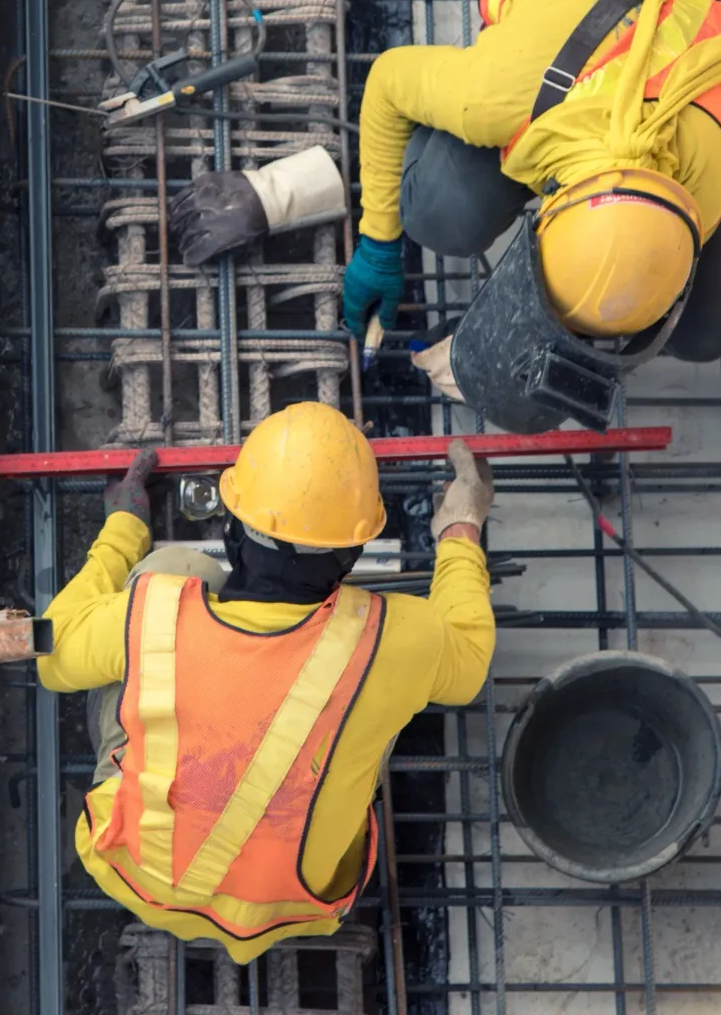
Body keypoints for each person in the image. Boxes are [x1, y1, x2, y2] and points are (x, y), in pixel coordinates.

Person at [37, 403, 496, 961]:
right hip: (299, 906)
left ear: (232, 530)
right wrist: (461, 529)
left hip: (136, 873)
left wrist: (124, 527)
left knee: (174, 573)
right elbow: (470, 659)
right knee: (376, 694)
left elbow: (52, 654)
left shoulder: (155, 613)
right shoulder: (394, 637)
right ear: (353, 553)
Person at [341, 0, 721, 409]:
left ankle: (713, 8)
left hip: (693, 68)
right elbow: (385, 82)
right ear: (550, 208)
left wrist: (500, 342)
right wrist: (379, 242)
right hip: (580, 8)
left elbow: (614, 287)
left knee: (706, 335)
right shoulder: (495, 97)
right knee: (438, 213)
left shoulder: (707, 182)